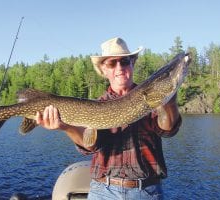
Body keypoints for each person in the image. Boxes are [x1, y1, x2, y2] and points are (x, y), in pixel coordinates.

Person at [36, 37, 182, 200]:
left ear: (132, 63)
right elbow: (90, 146)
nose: (119, 68)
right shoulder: (98, 104)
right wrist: (65, 127)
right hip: (104, 191)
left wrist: (170, 101)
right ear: (103, 70)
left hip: (147, 192)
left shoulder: (150, 98)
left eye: (124, 61)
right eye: (112, 64)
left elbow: (168, 129)